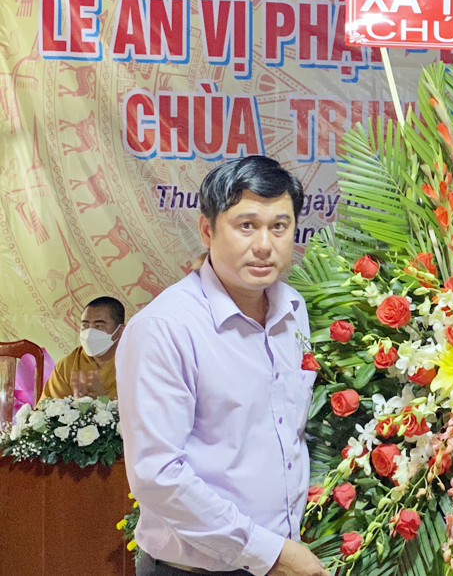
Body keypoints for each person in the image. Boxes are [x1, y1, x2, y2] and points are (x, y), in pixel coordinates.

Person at [116, 156, 328, 576]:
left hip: (284, 556)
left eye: (279, 226)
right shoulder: (165, 328)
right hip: (194, 569)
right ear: (207, 230)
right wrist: (269, 553)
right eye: (246, 225)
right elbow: (158, 476)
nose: (264, 244)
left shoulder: (293, 309)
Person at [41, 296, 125, 400]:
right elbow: (48, 407)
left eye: (99, 326)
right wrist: (76, 404)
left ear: (120, 330)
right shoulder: (69, 365)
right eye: (85, 326)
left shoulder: (133, 363)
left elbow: (137, 407)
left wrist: (102, 398)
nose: (89, 333)